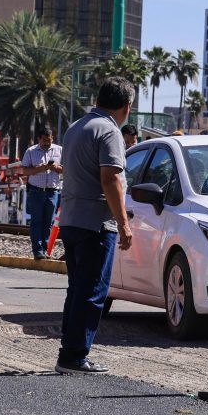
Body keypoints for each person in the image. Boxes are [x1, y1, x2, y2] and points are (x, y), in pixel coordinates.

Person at [54, 76, 135, 374]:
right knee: (92, 292)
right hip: (96, 224)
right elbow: (111, 178)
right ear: (127, 106)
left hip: (72, 220)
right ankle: (74, 356)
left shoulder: (76, 127)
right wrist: (124, 224)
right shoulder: (110, 131)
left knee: (77, 289)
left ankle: (69, 351)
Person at [21, 127, 63, 259]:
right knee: (36, 222)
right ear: (39, 139)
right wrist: (41, 168)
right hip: (36, 191)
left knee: (49, 222)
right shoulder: (31, 151)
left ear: (52, 139)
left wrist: (57, 168)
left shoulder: (60, 150)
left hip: (53, 192)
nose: (46, 143)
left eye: (49, 140)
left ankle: (46, 249)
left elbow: (67, 170)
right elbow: (25, 171)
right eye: (44, 140)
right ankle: (37, 251)